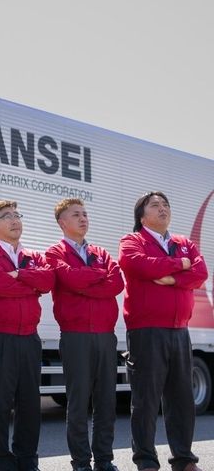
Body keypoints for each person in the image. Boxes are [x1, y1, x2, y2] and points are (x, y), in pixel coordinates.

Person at [119, 191, 208, 471]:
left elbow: (200, 273)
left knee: (181, 400)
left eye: (165, 204)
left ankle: (183, 459)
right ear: (142, 216)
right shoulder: (132, 241)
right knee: (145, 400)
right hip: (146, 331)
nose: (162, 208)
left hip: (180, 330)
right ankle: (146, 461)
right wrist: (180, 265)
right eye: (155, 205)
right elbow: (138, 265)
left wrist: (171, 279)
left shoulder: (183, 243)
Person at [45, 198, 123, 471]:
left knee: (106, 402)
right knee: (78, 402)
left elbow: (117, 283)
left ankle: (104, 460)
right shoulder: (54, 253)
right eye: (76, 214)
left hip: (105, 335)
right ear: (62, 222)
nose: (83, 218)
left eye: (85, 214)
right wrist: (96, 276)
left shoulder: (101, 252)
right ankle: (81, 462)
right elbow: (69, 279)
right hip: (75, 335)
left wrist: (84, 280)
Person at [0, 199, 54, 471]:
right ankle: (2, 461)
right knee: (0, 403)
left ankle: (27, 459)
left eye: (17, 215)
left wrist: (19, 274)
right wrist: (30, 284)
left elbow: (48, 281)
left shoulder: (33, 256)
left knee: (30, 403)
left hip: (29, 337)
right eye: (7, 216)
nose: (15, 220)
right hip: (1, 337)